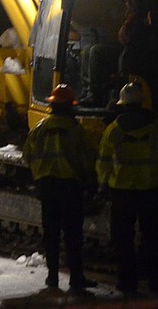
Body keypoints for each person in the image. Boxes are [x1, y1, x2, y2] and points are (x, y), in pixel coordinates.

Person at [96, 82, 158, 295]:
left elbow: (103, 162)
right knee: (153, 238)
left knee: (123, 240)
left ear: (122, 104)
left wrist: (102, 185)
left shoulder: (113, 131)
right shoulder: (157, 128)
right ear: (141, 102)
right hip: (149, 191)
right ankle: (156, 281)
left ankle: (127, 282)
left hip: (121, 194)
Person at [22, 84, 97, 292]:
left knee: (51, 233)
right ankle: (76, 277)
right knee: (73, 235)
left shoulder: (39, 129)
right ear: (70, 107)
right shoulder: (77, 131)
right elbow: (87, 161)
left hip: (47, 187)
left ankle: (52, 277)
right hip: (70, 187)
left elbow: (27, 157)